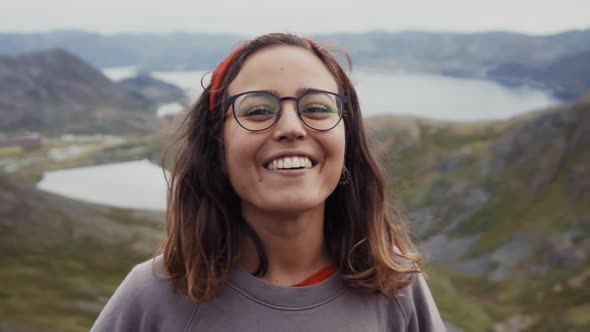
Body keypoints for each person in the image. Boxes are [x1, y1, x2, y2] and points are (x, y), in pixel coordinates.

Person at [91, 32, 445, 332]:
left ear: (347, 141)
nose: (291, 127)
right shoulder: (152, 298)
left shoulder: (398, 289)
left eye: (317, 107)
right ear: (218, 147)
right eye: (258, 109)